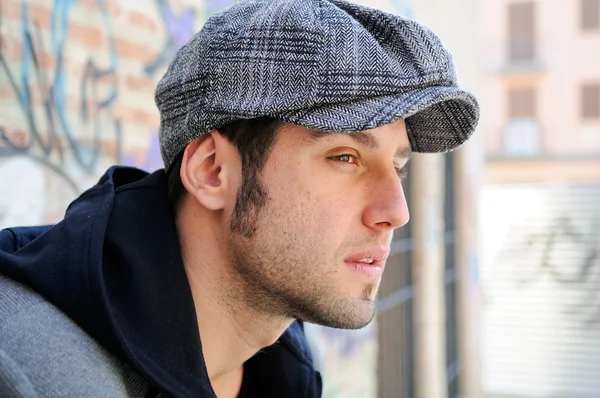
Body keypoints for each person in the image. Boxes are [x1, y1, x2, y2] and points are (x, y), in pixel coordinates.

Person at [0, 0, 479, 396]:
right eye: (345, 157)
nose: (397, 212)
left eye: (397, 167)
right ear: (212, 171)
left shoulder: (281, 361)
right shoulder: (29, 374)